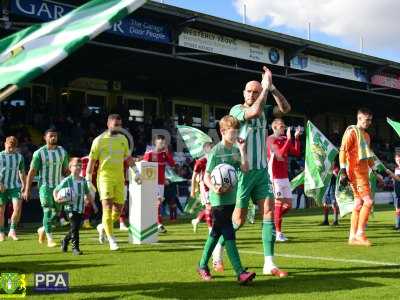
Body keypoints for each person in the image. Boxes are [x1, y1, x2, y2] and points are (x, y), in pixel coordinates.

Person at [213, 66, 291, 277]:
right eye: (249, 91)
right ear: (243, 93)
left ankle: (269, 263)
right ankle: (218, 250)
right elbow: (254, 111)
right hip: (242, 173)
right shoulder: (236, 111)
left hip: (261, 171)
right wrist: (264, 90)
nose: (252, 94)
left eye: (256, 91)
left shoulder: (266, 109)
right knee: (238, 220)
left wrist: (272, 88)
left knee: (268, 212)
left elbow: (284, 109)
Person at [197, 115, 255, 284]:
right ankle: (240, 272)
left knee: (215, 234)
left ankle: (202, 265)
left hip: (231, 198)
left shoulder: (236, 150)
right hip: (218, 200)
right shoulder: (216, 151)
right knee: (229, 232)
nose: (236, 134)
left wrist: (243, 151)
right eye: (232, 131)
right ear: (222, 131)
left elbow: (245, 169)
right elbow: (207, 176)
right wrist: (214, 187)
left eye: (237, 131)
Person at [86, 114, 136, 251]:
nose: (118, 128)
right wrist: (88, 178)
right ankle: (112, 239)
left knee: (118, 211)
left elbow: (128, 157)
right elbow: (92, 160)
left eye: (120, 125)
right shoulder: (99, 140)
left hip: (119, 178)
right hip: (105, 177)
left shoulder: (123, 139)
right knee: (107, 207)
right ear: (108, 124)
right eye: (116, 125)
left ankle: (102, 227)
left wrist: (136, 172)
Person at [23, 128, 69, 247]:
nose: (53, 138)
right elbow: (32, 172)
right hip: (45, 187)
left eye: (55, 136)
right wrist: (27, 189)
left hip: (58, 187)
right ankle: (50, 239)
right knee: (48, 211)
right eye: (51, 136)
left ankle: (42, 229)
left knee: (57, 213)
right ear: (45, 138)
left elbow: (65, 170)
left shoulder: (62, 151)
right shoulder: (39, 153)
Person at [339, 108, 376, 246]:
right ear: (359, 118)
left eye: (370, 120)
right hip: (355, 173)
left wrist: (375, 171)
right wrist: (343, 170)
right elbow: (343, 150)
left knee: (358, 204)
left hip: (364, 172)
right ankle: (360, 234)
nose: (369, 123)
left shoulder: (366, 136)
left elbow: (368, 155)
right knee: (368, 202)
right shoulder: (352, 132)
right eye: (367, 120)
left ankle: (352, 237)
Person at [267, 119, 301, 242]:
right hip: (275, 177)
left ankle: (271, 222)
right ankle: (278, 233)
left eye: (284, 126)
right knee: (279, 204)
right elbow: (280, 155)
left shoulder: (282, 140)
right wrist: (288, 139)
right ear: (274, 127)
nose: (283, 128)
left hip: (284, 177)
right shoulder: (271, 140)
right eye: (281, 126)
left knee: (289, 206)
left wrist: (296, 138)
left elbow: (296, 152)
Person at [54, 157, 96, 255]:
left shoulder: (83, 180)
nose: (78, 167)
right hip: (70, 208)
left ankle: (64, 240)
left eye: (80, 166)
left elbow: (87, 193)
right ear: (70, 167)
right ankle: (75, 248)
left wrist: (93, 204)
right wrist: (56, 198)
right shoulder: (67, 180)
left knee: (75, 227)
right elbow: (55, 190)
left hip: (80, 207)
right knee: (75, 228)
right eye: (75, 166)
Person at [143, 135, 176, 233]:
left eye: (164, 143)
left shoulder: (164, 154)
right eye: (160, 143)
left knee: (158, 203)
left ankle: (156, 224)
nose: (162, 145)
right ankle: (158, 224)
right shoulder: (149, 153)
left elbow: (173, 164)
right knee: (157, 203)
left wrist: (167, 153)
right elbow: (143, 167)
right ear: (155, 143)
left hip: (161, 183)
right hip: (151, 183)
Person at [0, 136, 26, 241]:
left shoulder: (19, 157)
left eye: (13, 147)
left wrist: (24, 183)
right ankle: (1, 232)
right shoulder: (0, 156)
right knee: (1, 210)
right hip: (2, 186)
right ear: (5, 144)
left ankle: (12, 230)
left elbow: (21, 171)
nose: (11, 149)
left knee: (17, 208)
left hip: (15, 185)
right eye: (9, 146)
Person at [191, 142, 213, 233]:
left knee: (213, 207)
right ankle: (210, 229)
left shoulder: (215, 160)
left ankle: (196, 220)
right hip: (204, 187)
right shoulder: (201, 161)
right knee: (209, 207)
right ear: (206, 150)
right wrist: (192, 190)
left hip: (213, 186)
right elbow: (193, 177)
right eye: (212, 148)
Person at [383, 153, 400, 231]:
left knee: (398, 208)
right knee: (397, 208)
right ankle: (397, 225)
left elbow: (398, 179)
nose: (398, 160)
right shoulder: (397, 168)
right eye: (396, 159)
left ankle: (397, 225)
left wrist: (390, 173)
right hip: (396, 191)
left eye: (399, 158)